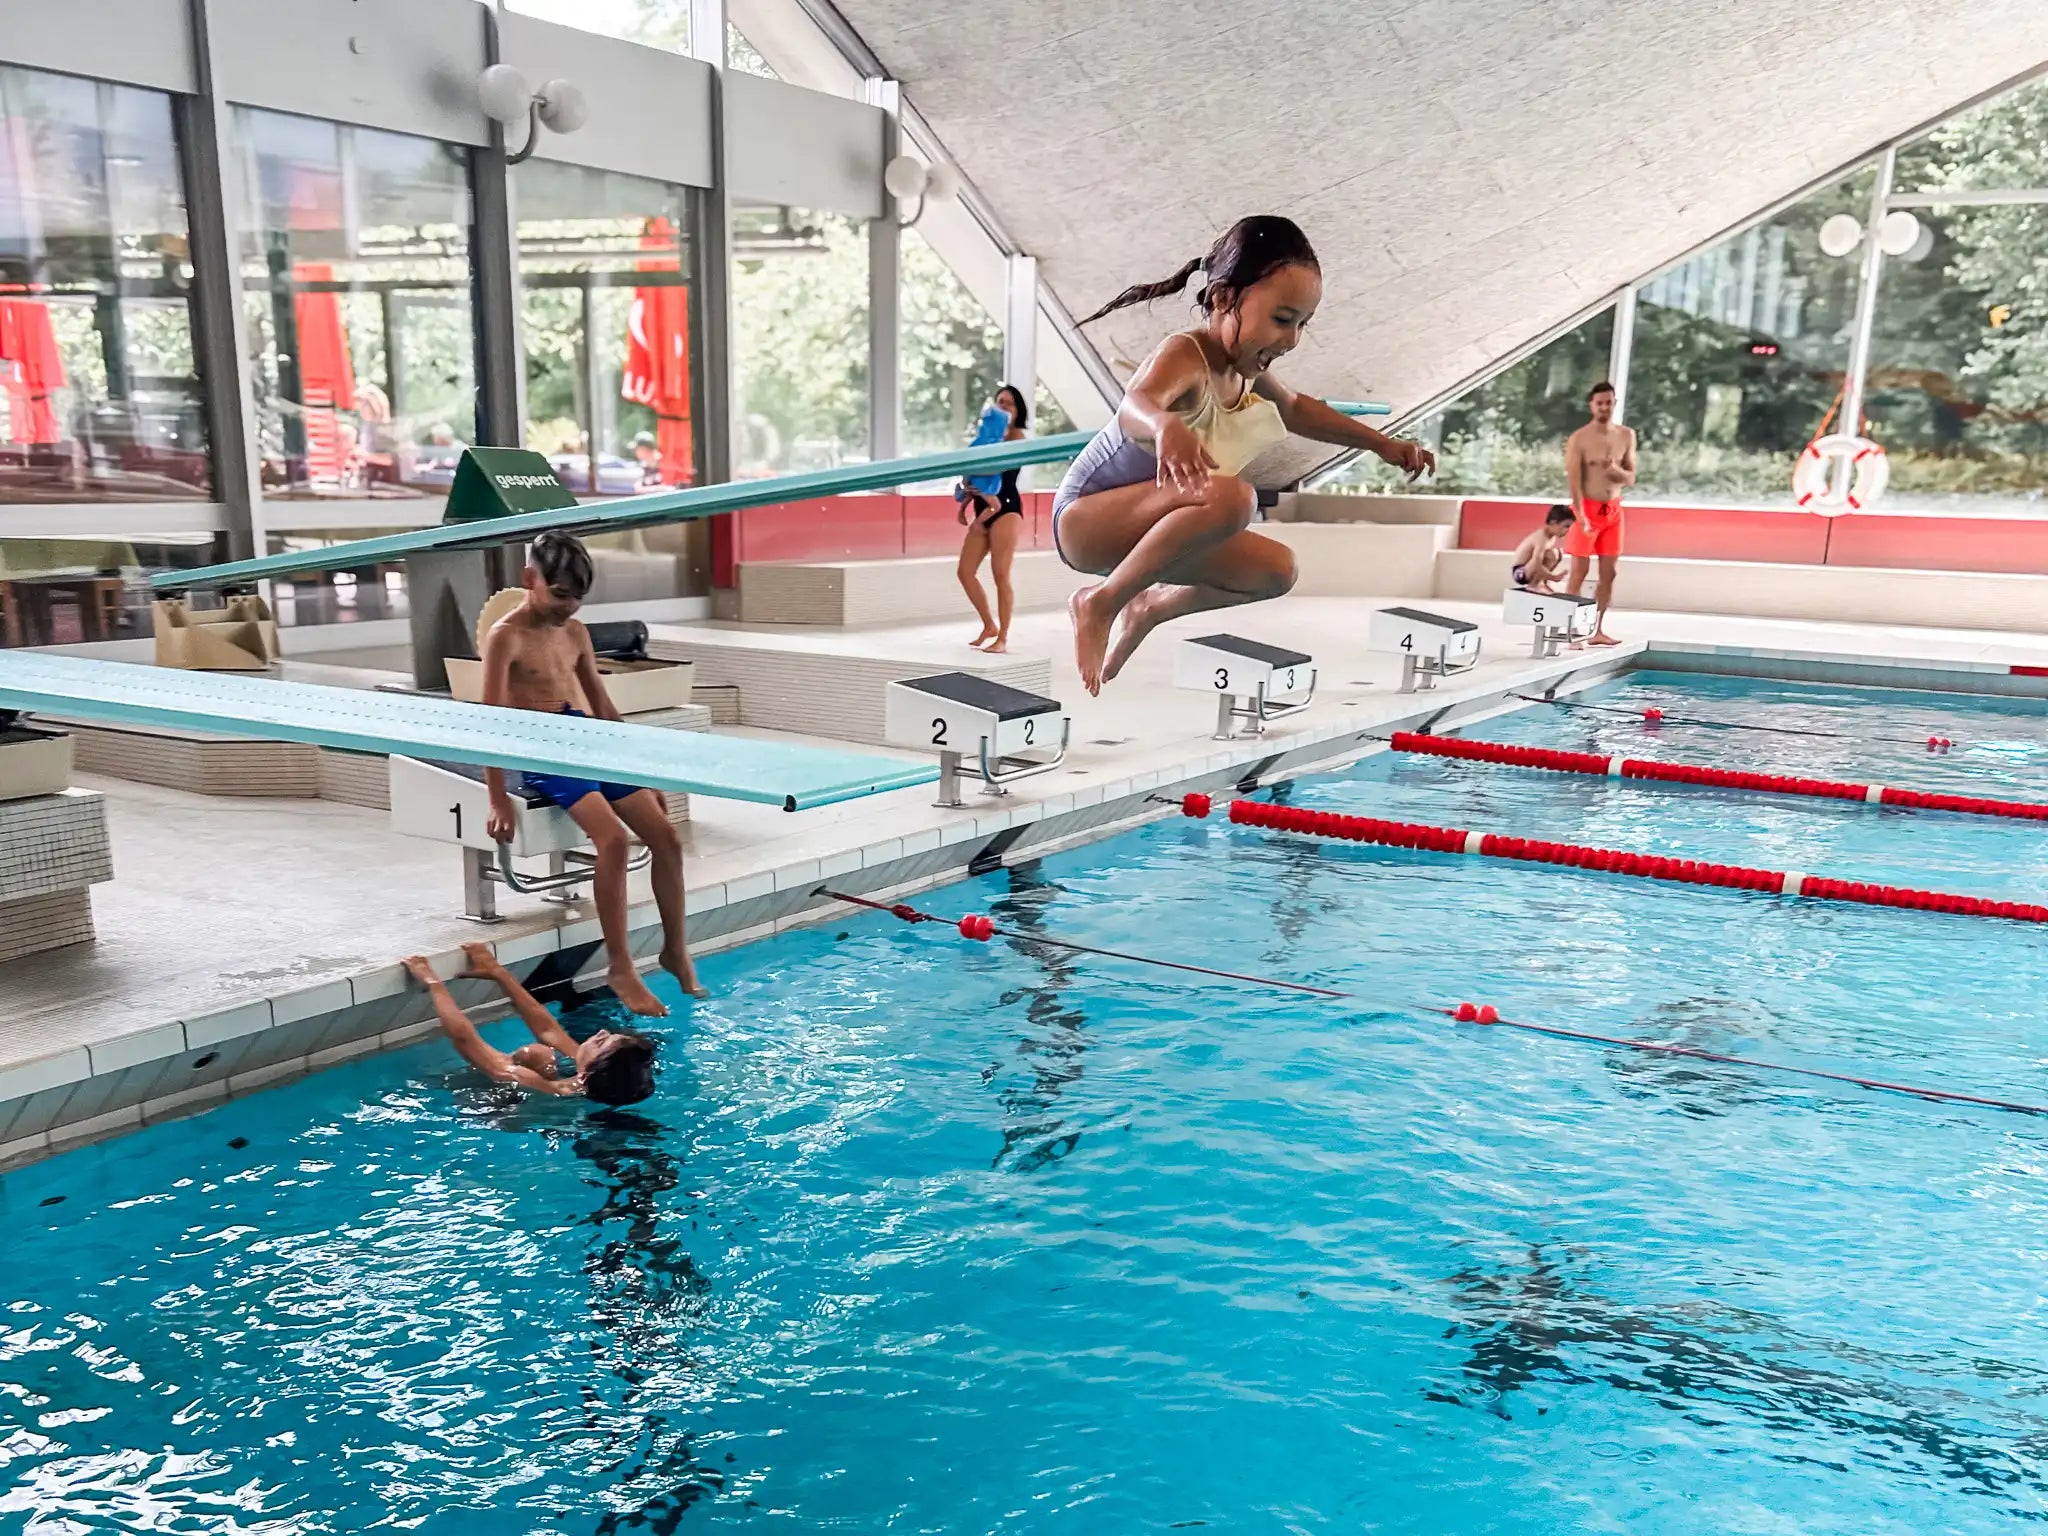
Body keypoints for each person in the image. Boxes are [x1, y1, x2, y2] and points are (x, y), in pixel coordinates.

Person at [1054, 215, 1435, 693]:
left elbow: (1298, 410)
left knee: (1276, 571)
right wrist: (1166, 424)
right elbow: (1137, 404)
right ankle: (1101, 602)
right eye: (1281, 319)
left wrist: (1382, 443)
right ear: (1222, 299)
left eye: (1302, 325)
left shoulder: (1245, 371)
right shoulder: (1186, 353)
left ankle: (1149, 605)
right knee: (1234, 498)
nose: (1291, 339)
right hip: (1086, 522)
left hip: (1145, 531)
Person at [481, 530, 701, 1016]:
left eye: (578, 599)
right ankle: (621, 967)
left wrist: (643, 774)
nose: (569, 607)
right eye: (560, 595)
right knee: (615, 842)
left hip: (584, 736)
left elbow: (602, 706)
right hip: (539, 747)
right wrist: (497, 797)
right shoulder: (507, 637)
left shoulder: (575, 632)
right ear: (529, 579)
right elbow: (488, 722)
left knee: (666, 837)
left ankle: (675, 949)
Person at [404, 945, 657, 1104]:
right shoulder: (590, 1077)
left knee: (526, 1058)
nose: (601, 1031)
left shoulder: (528, 1082)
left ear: (585, 1073)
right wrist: (497, 972)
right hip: (549, 1088)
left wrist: (433, 982)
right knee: (540, 1054)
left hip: (495, 1110)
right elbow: (549, 1031)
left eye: (602, 1042)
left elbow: (465, 1040)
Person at [958, 383, 1030, 653]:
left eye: (1008, 403)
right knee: (965, 572)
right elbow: (970, 471)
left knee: (1000, 573)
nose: (1002, 407)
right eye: (999, 402)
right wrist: (966, 488)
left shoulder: (1016, 438)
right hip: (982, 510)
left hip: (1006, 510)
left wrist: (976, 461)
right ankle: (989, 624)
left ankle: (1003, 638)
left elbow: (993, 469)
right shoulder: (986, 436)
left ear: (1018, 410)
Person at [1563, 381, 1635, 645]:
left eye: (1609, 402)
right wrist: (1580, 516)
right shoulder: (1580, 439)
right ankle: (1572, 630)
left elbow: (1631, 477)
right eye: (1599, 403)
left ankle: (1597, 629)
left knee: (1609, 574)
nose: (1604, 407)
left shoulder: (1627, 435)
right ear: (1592, 406)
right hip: (1587, 509)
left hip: (1614, 511)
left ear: (1615, 403)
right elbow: (1574, 480)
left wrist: (1615, 470)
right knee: (1578, 573)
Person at [1511, 504, 1576, 592]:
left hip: (1529, 568)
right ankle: (1534, 585)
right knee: (1548, 556)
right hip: (1520, 573)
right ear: (1553, 523)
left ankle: (1542, 583)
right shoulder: (1541, 538)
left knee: (1557, 553)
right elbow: (1536, 564)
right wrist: (1553, 577)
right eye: (1566, 526)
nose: (1568, 530)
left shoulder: (1551, 537)